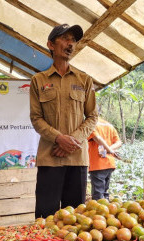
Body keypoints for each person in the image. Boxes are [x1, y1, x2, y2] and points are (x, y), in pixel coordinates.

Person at [30, 24, 98, 218]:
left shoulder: (85, 80)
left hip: (77, 159)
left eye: (73, 40)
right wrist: (59, 139)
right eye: (65, 39)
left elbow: (92, 116)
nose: (70, 44)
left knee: (76, 218)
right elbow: (36, 118)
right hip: (49, 158)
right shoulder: (38, 80)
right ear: (51, 44)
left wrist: (72, 141)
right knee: (45, 217)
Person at [88, 111, 122, 200]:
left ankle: (101, 212)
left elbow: (97, 138)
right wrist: (110, 149)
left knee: (98, 193)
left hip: (97, 163)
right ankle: (107, 210)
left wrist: (108, 150)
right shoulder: (108, 125)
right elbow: (119, 142)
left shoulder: (91, 124)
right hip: (109, 163)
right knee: (105, 191)